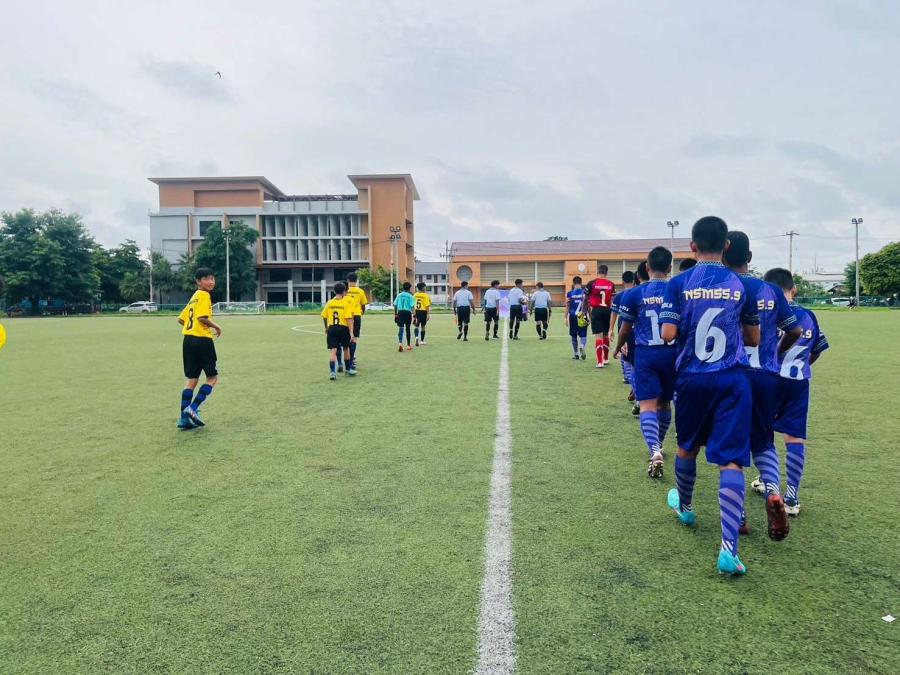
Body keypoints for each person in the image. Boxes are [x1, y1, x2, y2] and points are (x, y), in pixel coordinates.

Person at [659, 216, 760, 576]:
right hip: (732, 379)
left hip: (692, 378)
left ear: (692, 246)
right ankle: (729, 549)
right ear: (727, 246)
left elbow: (668, 333)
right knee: (731, 461)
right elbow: (754, 338)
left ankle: (686, 508)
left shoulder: (679, 283)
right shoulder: (741, 284)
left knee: (687, 447)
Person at [724, 232, 801, 541]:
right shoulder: (770, 289)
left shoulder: (723, 288)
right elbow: (794, 330)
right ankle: (772, 490)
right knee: (764, 442)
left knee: (732, 445)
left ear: (723, 254)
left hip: (732, 375)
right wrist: (775, 354)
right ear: (750, 257)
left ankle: (739, 515)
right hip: (766, 376)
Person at [761, 267, 830, 517]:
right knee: (795, 438)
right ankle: (791, 495)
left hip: (771, 379)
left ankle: (769, 483)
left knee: (764, 433)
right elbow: (818, 348)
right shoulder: (808, 315)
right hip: (798, 382)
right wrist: (802, 365)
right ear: (794, 289)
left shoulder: (767, 313)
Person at [614, 247, 676, 479]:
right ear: (670, 268)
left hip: (646, 354)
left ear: (647, 267)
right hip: (672, 354)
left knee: (648, 405)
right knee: (665, 404)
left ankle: (654, 450)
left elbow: (625, 329)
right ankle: (659, 443)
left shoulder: (635, 294)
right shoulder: (676, 290)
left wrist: (618, 346)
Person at [176, 268, 223, 429]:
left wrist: (193, 328)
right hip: (202, 340)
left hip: (188, 340)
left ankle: (184, 419)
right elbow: (202, 318)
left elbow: (181, 319)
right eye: (206, 279)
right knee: (212, 377)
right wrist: (217, 327)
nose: (211, 282)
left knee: (192, 379)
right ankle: (193, 408)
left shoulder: (194, 297)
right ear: (198, 281)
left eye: (212, 278)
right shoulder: (204, 295)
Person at [321, 282, 357, 379]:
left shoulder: (329, 303)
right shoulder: (345, 303)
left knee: (333, 350)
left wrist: (326, 327)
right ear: (344, 292)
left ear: (334, 291)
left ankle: (333, 373)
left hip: (332, 328)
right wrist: (351, 333)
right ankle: (348, 370)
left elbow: (324, 316)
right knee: (346, 348)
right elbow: (349, 319)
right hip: (343, 329)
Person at [584, 264, 616, 368]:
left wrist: (584, 312)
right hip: (608, 311)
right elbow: (613, 300)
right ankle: (606, 359)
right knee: (606, 335)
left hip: (596, 310)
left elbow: (585, 299)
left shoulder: (592, 283)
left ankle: (600, 362)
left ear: (598, 272)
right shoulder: (611, 284)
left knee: (599, 336)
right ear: (607, 273)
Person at [610, 270, 636, 384]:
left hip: (622, 326)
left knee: (623, 349)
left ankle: (626, 376)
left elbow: (614, 313)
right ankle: (630, 377)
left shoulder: (619, 296)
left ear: (622, 281)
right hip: (635, 327)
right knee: (632, 351)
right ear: (634, 281)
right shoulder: (637, 293)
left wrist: (611, 329)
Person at [345, 272, 368, 368]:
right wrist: (361, 312)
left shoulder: (345, 291)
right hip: (356, 315)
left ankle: (346, 358)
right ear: (356, 280)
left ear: (348, 280)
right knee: (354, 338)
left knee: (345, 337)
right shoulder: (360, 291)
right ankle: (351, 358)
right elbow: (363, 305)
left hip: (346, 316)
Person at [565, 276, 587, 359]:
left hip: (573, 316)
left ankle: (576, 353)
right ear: (581, 283)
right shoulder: (585, 293)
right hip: (582, 315)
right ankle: (582, 346)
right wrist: (591, 316)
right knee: (583, 334)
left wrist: (565, 317)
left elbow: (568, 306)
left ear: (573, 283)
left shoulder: (570, 293)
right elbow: (588, 305)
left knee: (574, 335)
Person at [394, 281, 415, 351]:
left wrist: (396, 314)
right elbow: (412, 307)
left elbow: (395, 305)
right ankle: (408, 345)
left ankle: (400, 343)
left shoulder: (399, 295)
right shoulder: (410, 296)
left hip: (400, 312)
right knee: (408, 329)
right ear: (409, 288)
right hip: (407, 313)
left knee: (401, 328)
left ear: (403, 288)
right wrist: (414, 315)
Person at [413, 282, 432, 346]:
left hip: (416, 311)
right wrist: (428, 314)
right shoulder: (426, 295)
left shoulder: (415, 295)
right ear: (423, 288)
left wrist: (414, 313)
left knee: (416, 326)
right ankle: (422, 341)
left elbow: (412, 304)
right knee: (423, 326)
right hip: (423, 312)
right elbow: (427, 305)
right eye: (425, 287)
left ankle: (416, 337)